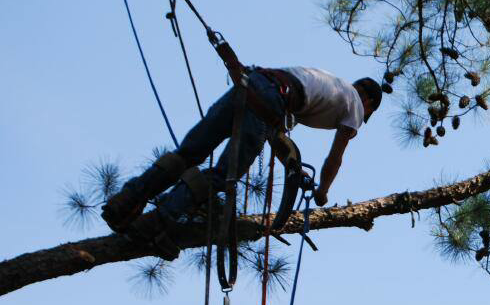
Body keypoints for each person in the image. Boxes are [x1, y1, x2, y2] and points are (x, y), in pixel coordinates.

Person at [102, 66, 382, 257]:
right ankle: (156, 224)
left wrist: (290, 162)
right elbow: (336, 157)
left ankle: (126, 202)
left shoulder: (326, 82)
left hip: (251, 82)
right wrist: (323, 190)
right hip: (272, 98)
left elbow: (274, 131)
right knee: (224, 175)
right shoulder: (356, 104)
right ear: (368, 101)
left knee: (188, 153)